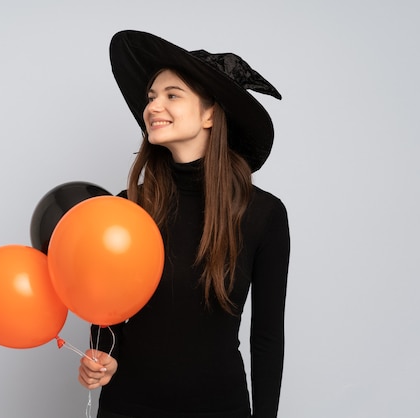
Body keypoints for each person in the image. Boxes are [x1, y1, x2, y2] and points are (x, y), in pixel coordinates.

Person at [78, 30, 290, 418]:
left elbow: (267, 337)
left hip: (219, 407)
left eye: (172, 94)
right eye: (151, 97)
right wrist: (103, 359)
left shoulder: (264, 215)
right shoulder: (128, 207)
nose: (154, 105)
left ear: (211, 112)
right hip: (129, 406)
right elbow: (105, 312)